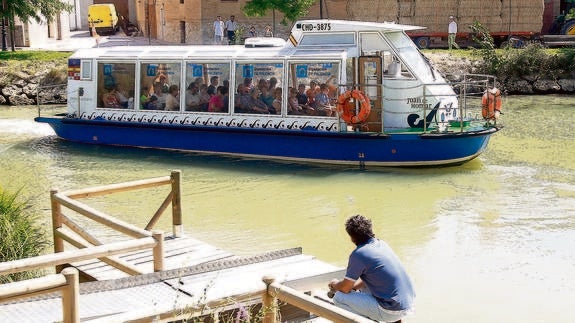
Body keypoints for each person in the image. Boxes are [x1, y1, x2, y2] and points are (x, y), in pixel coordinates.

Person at [328, 215, 415, 322]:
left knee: (339, 298)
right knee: (368, 284)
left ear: (352, 238)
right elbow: (368, 280)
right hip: (407, 304)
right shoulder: (382, 244)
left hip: (391, 311)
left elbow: (345, 288)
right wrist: (354, 287)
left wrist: (335, 284)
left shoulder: (358, 254)